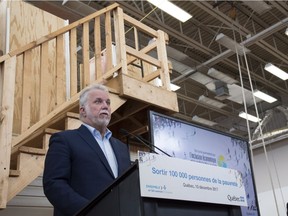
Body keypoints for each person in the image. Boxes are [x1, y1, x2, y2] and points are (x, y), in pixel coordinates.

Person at [43, 84, 131, 216]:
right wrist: (90, 210)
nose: (105, 106)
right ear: (83, 111)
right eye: (98, 101)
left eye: (108, 102)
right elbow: (54, 184)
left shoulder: (122, 148)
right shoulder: (64, 140)